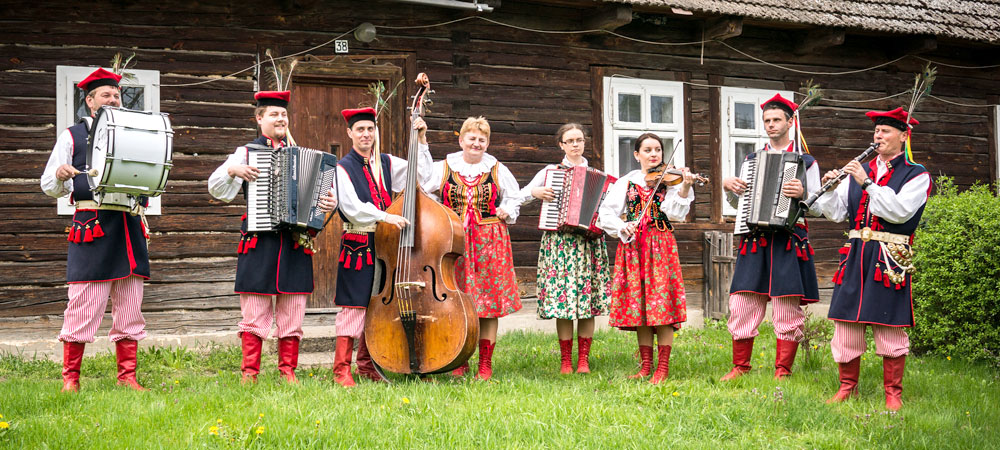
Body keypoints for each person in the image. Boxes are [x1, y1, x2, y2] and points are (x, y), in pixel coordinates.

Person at [208, 90, 336, 384]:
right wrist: (232, 170)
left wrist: (329, 203)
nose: (281, 119)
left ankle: (287, 372)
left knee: (293, 311)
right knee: (254, 310)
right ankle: (249, 374)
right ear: (259, 119)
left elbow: (320, 200)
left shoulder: (301, 154)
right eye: (274, 114)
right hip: (260, 242)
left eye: (284, 114)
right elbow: (216, 188)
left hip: (294, 243)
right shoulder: (246, 153)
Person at [41, 68, 150, 392]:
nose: (113, 99)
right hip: (92, 227)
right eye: (106, 95)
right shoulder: (72, 136)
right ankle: (70, 380)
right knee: (83, 305)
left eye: (117, 95)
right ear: (90, 101)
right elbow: (48, 184)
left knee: (130, 306)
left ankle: (127, 378)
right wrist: (60, 174)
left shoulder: (134, 134)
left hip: (129, 226)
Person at [816, 107, 929, 411]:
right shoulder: (859, 170)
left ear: (903, 136)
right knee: (846, 321)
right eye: (876, 131)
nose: (878, 136)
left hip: (889, 257)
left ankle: (893, 393)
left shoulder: (917, 174)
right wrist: (830, 189)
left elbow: (898, 212)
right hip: (855, 254)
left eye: (885, 131)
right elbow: (837, 213)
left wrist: (866, 182)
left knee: (889, 321)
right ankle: (847, 387)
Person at [719, 94, 822, 381]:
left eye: (777, 120)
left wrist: (803, 194)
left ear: (790, 123)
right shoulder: (752, 160)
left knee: (786, 305)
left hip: (788, 240)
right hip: (755, 240)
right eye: (767, 120)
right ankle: (740, 366)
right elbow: (741, 206)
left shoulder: (806, 162)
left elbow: (818, 207)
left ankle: (783, 370)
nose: (771, 125)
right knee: (741, 303)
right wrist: (729, 188)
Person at [329, 107, 431, 387]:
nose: (366, 134)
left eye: (370, 129)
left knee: (378, 307)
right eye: (360, 130)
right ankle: (341, 370)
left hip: (386, 245)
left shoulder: (385, 162)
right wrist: (386, 216)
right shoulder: (341, 168)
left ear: (376, 132)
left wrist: (421, 140)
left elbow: (421, 176)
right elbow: (352, 207)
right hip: (358, 244)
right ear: (349, 133)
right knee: (354, 306)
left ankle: (367, 365)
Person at [420, 116, 522, 381]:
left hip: (490, 241)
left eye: (482, 140)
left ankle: (485, 364)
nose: (476, 143)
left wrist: (506, 209)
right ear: (461, 140)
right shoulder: (444, 167)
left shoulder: (496, 168)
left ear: (487, 143)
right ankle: (459, 358)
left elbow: (514, 197)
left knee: (487, 303)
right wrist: (440, 213)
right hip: (453, 241)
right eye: (472, 138)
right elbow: (425, 193)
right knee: (455, 300)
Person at [598, 133, 694, 384]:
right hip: (633, 247)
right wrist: (623, 226)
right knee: (639, 306)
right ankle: (646, 366)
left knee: (661, 305)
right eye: (648, 150)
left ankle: (662, 368)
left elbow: (676, 213)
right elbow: (606, 213)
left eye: (658, 150)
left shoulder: (670, 180)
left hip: (660, 246)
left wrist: (685, 186)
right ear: (637, 154)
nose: (654, 154)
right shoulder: (626, 181)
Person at [518, 123, 612, 374]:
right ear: (561, 145)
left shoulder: (599, 175)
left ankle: (583, 360)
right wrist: (536, 192)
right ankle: (566, 361)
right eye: (570, 141)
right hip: (560, 244)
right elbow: (521, 195)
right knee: (563, 302)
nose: (575, 144)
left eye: (579, 140)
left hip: (589, 244)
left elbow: (609, 209)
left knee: (587, 302)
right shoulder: (551, 172)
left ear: (584, 142)